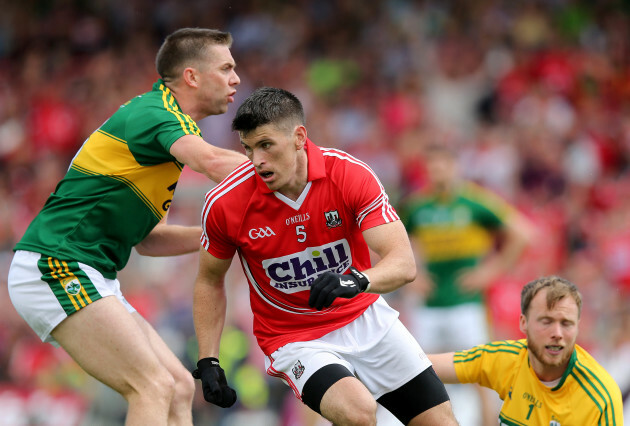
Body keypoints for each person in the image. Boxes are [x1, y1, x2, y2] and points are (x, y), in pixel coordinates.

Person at [7, 28, 247, 426]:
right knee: (152, 385)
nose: (236, 78)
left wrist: (221, 237)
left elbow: (149, 240)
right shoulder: (158, 114)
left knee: (178, 386)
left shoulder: (167, 132)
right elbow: (214, 164)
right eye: (226, 68)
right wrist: (287, 173)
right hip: (57, 263)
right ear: (191, 76)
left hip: (88, 270)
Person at [191, 87, 459, 425]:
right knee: (358, 412)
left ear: (299, 137)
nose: (256, 160)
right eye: (248, 148)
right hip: (295, 338)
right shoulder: (225, 202)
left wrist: (356, 280)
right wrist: (208, 360)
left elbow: (403, 264)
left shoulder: (349, 174)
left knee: (441, 423)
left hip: (367, 319)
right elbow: (209, 280)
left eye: (266, 145)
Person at [399, 143, 535, 425]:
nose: (438, 172)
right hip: (429, 303)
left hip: (466, 302)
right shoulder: (417, 206)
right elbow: (381, 241)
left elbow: (522, 232)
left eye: (443, 165)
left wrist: (491, 271)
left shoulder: (474, 202)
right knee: (419, 375)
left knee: (480, 375)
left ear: (455, 167)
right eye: (432, 167)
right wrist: (412, 278)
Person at [428, 275, 624, 425]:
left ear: (578, 327)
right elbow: (421, 367)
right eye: (546, 322)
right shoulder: (505, 359)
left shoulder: (600, 396)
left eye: (566, 323)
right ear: (524, 323)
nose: (557, 333)